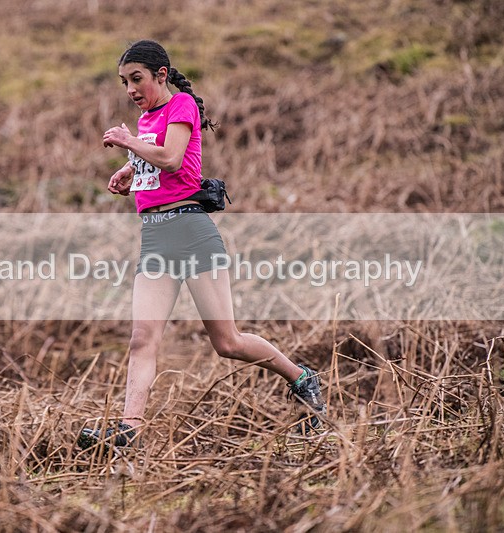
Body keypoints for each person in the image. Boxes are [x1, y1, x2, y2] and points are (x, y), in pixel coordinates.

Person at [78, 40, 326, 450]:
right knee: (143, 338)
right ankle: (128, 429)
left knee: (227, 343)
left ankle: (301, 377)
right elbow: (158, 158)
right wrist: (129, 170)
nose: (129, 89)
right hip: (155, 238)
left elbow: (173, 158)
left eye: (136, 79)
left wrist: (128, 144)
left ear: (161, 75)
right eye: (124, 82)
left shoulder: (182, 107)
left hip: (192, 233)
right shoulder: (147, 117)